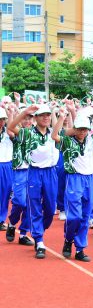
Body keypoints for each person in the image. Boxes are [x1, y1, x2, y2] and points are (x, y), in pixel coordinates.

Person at [52, 106, 93, 262]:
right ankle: (68, 239)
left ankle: (80, 248)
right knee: (74, 216)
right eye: (79, 129)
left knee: (86, 215)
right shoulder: (68, 142)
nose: (82, 132)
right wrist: (61, 117)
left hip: (90, 180)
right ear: (74, 129)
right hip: (74, 179)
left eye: (85, 129)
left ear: (88, 130)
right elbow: (54, 135)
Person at [8, 104, 60, 259]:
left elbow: (72, 130)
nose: (46, 117)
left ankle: (38, 230)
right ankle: (39, 240)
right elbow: (11, 127)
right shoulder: (28, 133)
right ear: (36, 118)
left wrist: (65, 113)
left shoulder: (54, 133)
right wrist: (25, 112)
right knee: (34, 206)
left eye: (48, 115)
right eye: (42, 115)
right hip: (34, 172)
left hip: (51, 172)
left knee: (50, 209)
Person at [5, 103, 35, 245]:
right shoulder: (18, 133)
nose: (27, 121)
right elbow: (10, 130)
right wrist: (12, 112)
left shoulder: (36, 133)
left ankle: (23, 234)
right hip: (20, 171)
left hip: (34, 172)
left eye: (30, 118)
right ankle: (12, 223)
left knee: (30, 204)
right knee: (20, 202)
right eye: (25, 118)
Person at [0, 107, 14, 232]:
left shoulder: (8, 133)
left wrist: (11, 114)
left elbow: (12, 128)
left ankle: (1, 220)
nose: (0, 121)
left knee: (5, 194)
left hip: (6, 165)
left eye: (2, 119)